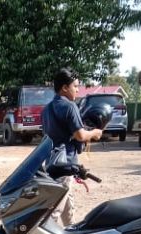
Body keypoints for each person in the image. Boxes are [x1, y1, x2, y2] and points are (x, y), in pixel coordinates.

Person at [41, 68, 103, 225]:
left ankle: (71, 233)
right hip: (65, 164)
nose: (77, 90)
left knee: (67, 204)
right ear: (64, 88)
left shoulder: (46, 109)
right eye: (75, 86)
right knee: (55, 209)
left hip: (51, 162)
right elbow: (80, 135)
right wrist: (95, 132)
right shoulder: (70, 106)